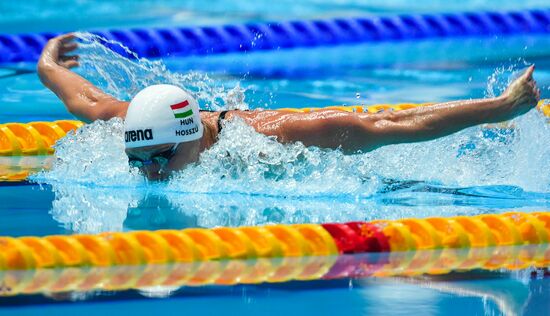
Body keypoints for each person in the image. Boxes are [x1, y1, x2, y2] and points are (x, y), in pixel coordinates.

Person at [38, 34, 541, 180]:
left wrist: (498, 108)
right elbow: (89, 99)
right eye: (138, 161)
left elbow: (391, 122)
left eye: (160, 159)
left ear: (193, 136)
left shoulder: (272, 138)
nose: (150, 173)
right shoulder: (141, 127)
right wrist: (46, 65)